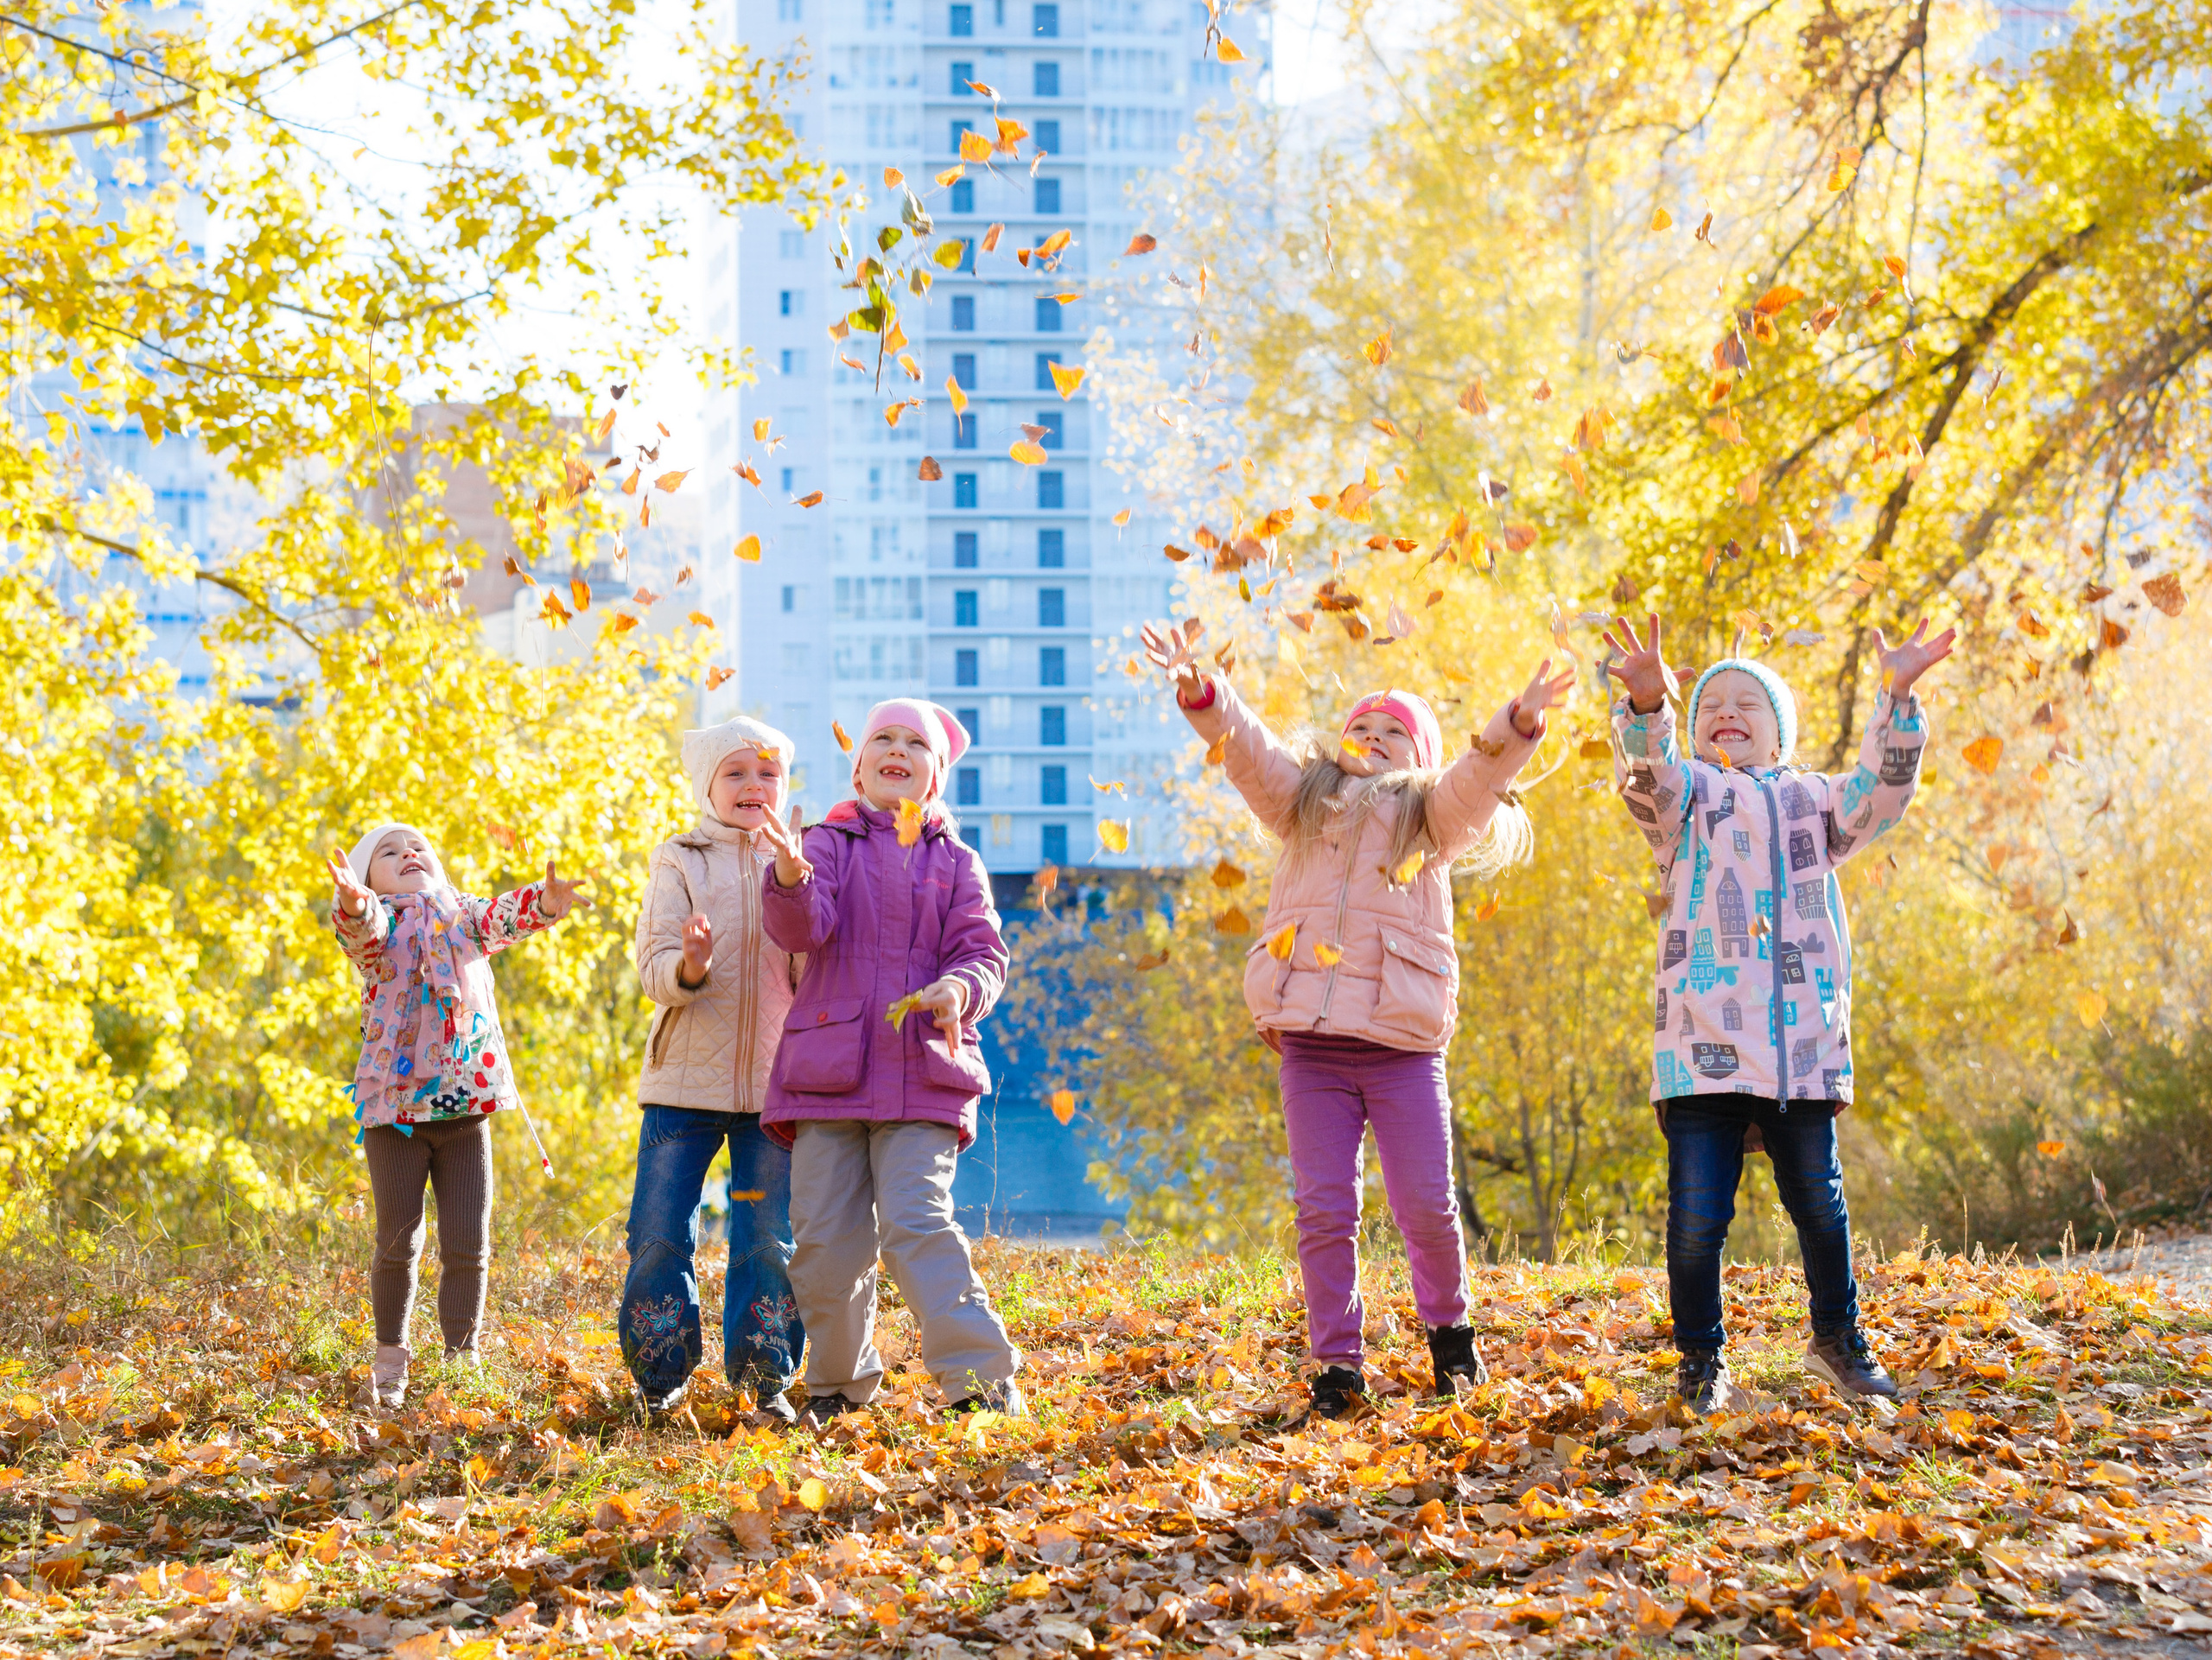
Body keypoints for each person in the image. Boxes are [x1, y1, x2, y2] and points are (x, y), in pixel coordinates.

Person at [1142, 620, 1575, 1421]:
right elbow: (1247, 747)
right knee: (1324, 1209)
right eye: (1362, 726)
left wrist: (1518, 720)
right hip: (1311, 1043)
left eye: (1393, 732)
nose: (1373, 738)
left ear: (1420, 755)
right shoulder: (1301, 802)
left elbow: (1479, 775)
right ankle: (1338, 1363)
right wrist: (1203, 688)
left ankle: (1451, 1334)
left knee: (1426, 1205)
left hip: (1401, 1046)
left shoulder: (1432, 817)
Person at [1601, 612, 1954, 1413]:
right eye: (1711, 703)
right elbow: (1648, 780)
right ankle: (1701, 1360)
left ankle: (1837, 1336)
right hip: (1703, 1045)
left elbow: (1883, 794)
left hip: (1802, 1046)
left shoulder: (1814, 801)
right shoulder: (1689, 799)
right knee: (1696, 1218)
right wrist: (1651, 709)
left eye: (1747, 702)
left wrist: (1898, 699)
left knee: (1821, 1206)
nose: (1726, 710)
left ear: (1781, 731)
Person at [753, 699, 1020, 1426]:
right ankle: (838, 1382)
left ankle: (982, 1380)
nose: (897, 749)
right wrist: (790, 876)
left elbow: (983, 953)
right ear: (858, 768)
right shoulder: (825, 843)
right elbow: (801, 929)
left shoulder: (956, 862)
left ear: (934, 776)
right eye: (883, 738)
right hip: (827, 1076)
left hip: (923, 1073)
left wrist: (959, 989)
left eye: (915, 743)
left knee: (917, 1221)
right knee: (825, 1243)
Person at [327, 824, 588, 1408]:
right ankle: (390, 1360)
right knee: (398, 1241)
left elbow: (502, 917)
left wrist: (544, 903)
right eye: (389, 852)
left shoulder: (460, 916)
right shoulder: (382, 925)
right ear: (370, 879)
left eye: (417, 847)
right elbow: (362, 935)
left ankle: (461, 1357)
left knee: (469, 1241)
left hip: (466, 1109)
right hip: (395, 1113)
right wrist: (355, 905)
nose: (408, 853)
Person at [620, 717, 808, 1424]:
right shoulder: (681, 857)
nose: (754, 785)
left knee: (767, 1236)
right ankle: (660, 1376)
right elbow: (653, 964)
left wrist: (793, 882)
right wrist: (691, 965)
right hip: (683, 1088)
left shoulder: (798, 859)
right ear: (708, 784)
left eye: (768, 773)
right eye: (736, 772)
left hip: (773, 1091)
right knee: (660, 1230)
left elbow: (814, 968)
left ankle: (764, 1377)